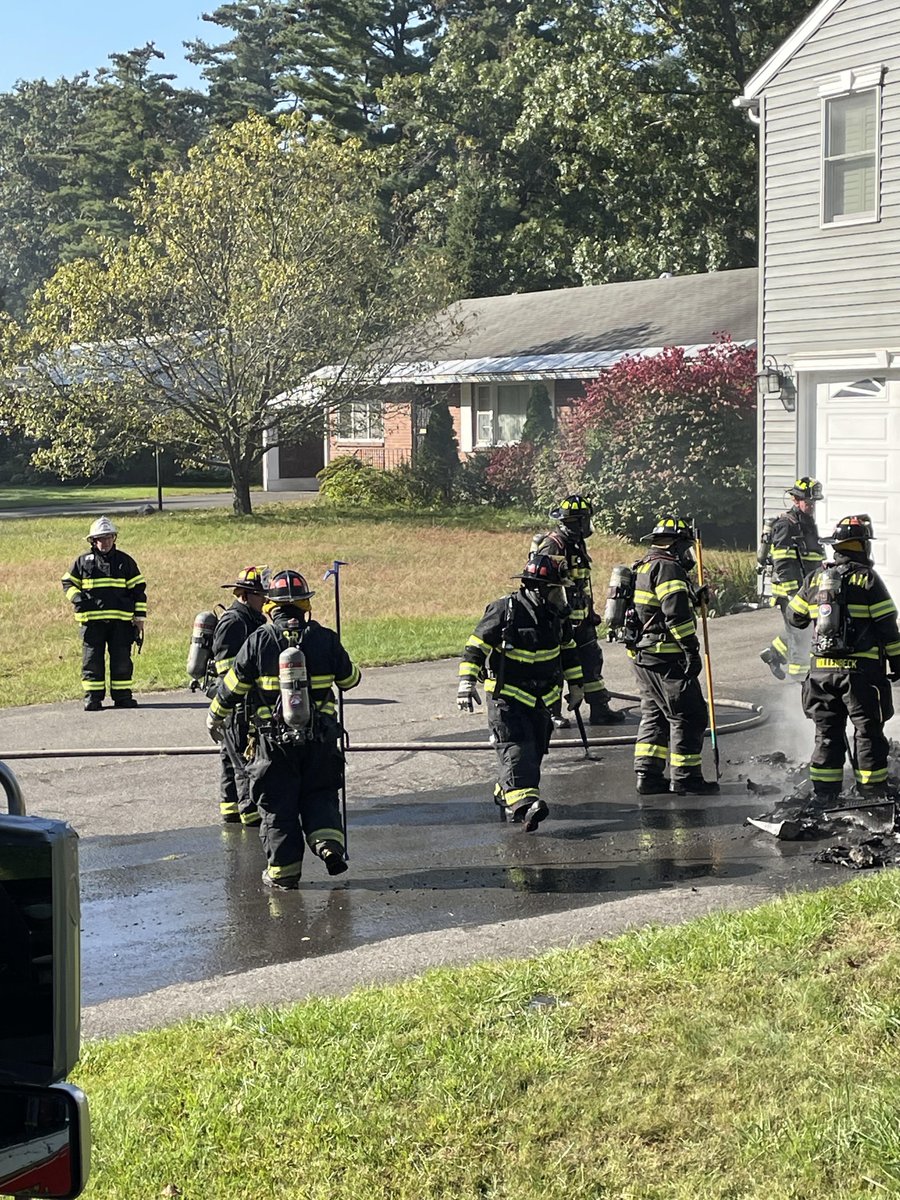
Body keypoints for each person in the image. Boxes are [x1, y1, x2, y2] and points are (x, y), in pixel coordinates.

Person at [206, 568, 361, 890]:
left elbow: (232, 688)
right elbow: (350, 680)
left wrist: (214, 716)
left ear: (270, 606)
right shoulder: (325, 638)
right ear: (305, 605)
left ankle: (283, 872)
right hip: (320, 739)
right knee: (320, 795)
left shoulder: (259, 639)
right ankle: (328, 844)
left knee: (278, 807)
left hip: (272, 745)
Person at [457, 553, 584, 831]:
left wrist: (576, 686)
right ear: (538, 589)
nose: (560, 597)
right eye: (555, 591)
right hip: (507, 697)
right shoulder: (505, 610)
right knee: (516, 748)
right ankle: (525, 807)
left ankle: (506, 792)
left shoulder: (555, 617)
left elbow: (568, 652)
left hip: (542, 699)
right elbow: (475, 646)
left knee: (534, 751)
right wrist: (466, 683)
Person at [786, 514, 900, 802]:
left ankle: (825, 794)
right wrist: (898, 665)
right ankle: (872, 792)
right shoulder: (869, 580)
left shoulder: (816, 579)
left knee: (826, 733)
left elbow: (794, 618)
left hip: (821, 676)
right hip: (860, 676)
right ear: (862, 546)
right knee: (867, 733)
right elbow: (889, 628)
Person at [629, 516, 718, 796]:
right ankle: (686, 777)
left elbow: (654, 607)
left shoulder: (644, 566)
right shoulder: (669, 569)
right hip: (666, 657)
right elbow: (675, 617)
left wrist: (692, 595)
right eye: (686, 548)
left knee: (655, 713)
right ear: (677, 546)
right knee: (689, 715)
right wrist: (691, 650)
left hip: (643, 656)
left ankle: (648, 775)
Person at [530, 494, 625, 729]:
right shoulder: (554, 544)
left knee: (592, 660)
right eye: (585, 520)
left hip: (581, 619)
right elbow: (545, 586)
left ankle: (599, 709)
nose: (588, 525)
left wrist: (589, 613)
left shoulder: (576, 542)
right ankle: (552, 713)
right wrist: (557, 618)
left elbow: (581, 585)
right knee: (557, 667)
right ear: (576, 522)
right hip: (559, 621)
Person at [61, 516, 147, 710]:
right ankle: (93, 698)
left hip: (121, 623)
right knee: (92, 661)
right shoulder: (83, 562)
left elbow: (138, 590)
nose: (105, 542)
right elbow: (68, 583)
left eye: (108, 537)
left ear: (114, 538)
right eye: (101, 538)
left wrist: (140, 619)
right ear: (93, 540)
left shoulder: (125, 562)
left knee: (122, 661)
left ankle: (123, 696)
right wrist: (78, 599)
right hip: (92, 623)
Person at [211, 567, 269, 826]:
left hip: (240, 699)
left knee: (229, 753)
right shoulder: (233, 622)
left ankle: (230, 807)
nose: (265, 600)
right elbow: (225, 668)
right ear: (245, 595)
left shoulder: (253, 619)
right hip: (235, 701)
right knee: (242, 756)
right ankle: (249, 811)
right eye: (260, 595)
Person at [758, 477, 825, 682]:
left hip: (806, 590)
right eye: (808, 501)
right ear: (796, 500)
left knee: (801, 628)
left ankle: (773, 653)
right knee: (802, 635)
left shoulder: (807, 523)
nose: (812, 506)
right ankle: (799, 684)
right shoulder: (787, 525)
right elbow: (783, 563)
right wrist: (796, 595)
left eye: (814, 502)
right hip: (792, 591)